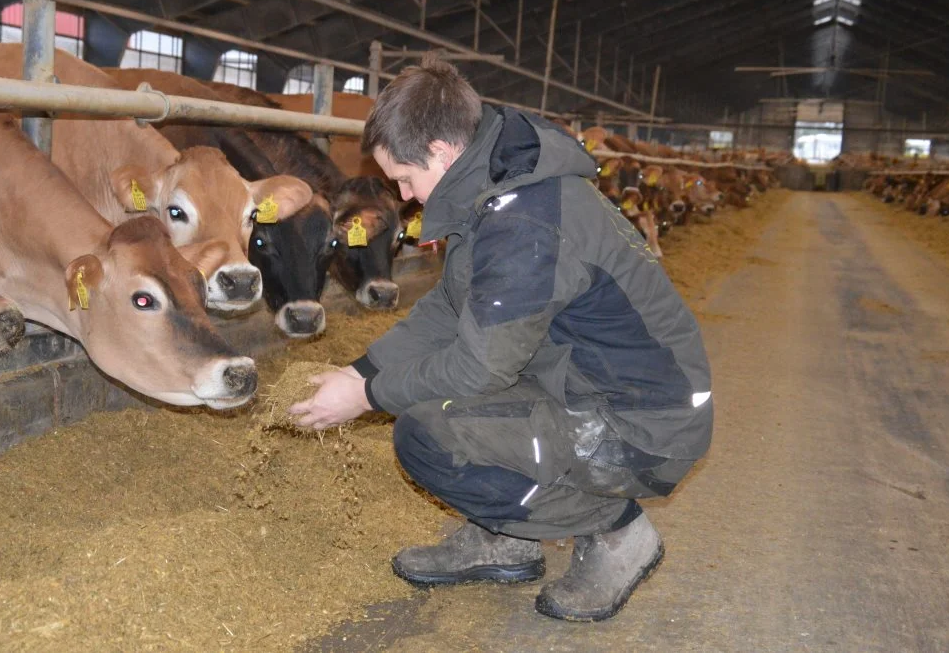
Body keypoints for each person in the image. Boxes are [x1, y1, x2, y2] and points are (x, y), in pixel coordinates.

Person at [288, 53, 712, 622]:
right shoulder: (496, 187)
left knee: (427, 435)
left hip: (641, 424)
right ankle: (506, 537)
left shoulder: (523, 220)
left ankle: (618, 532)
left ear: (441, 151)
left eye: (406, 179)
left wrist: (366, 399)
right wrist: (361, 371)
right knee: (450, 404)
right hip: (581, 385)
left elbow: (477, 369)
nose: (408, 196)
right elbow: (447, 306)